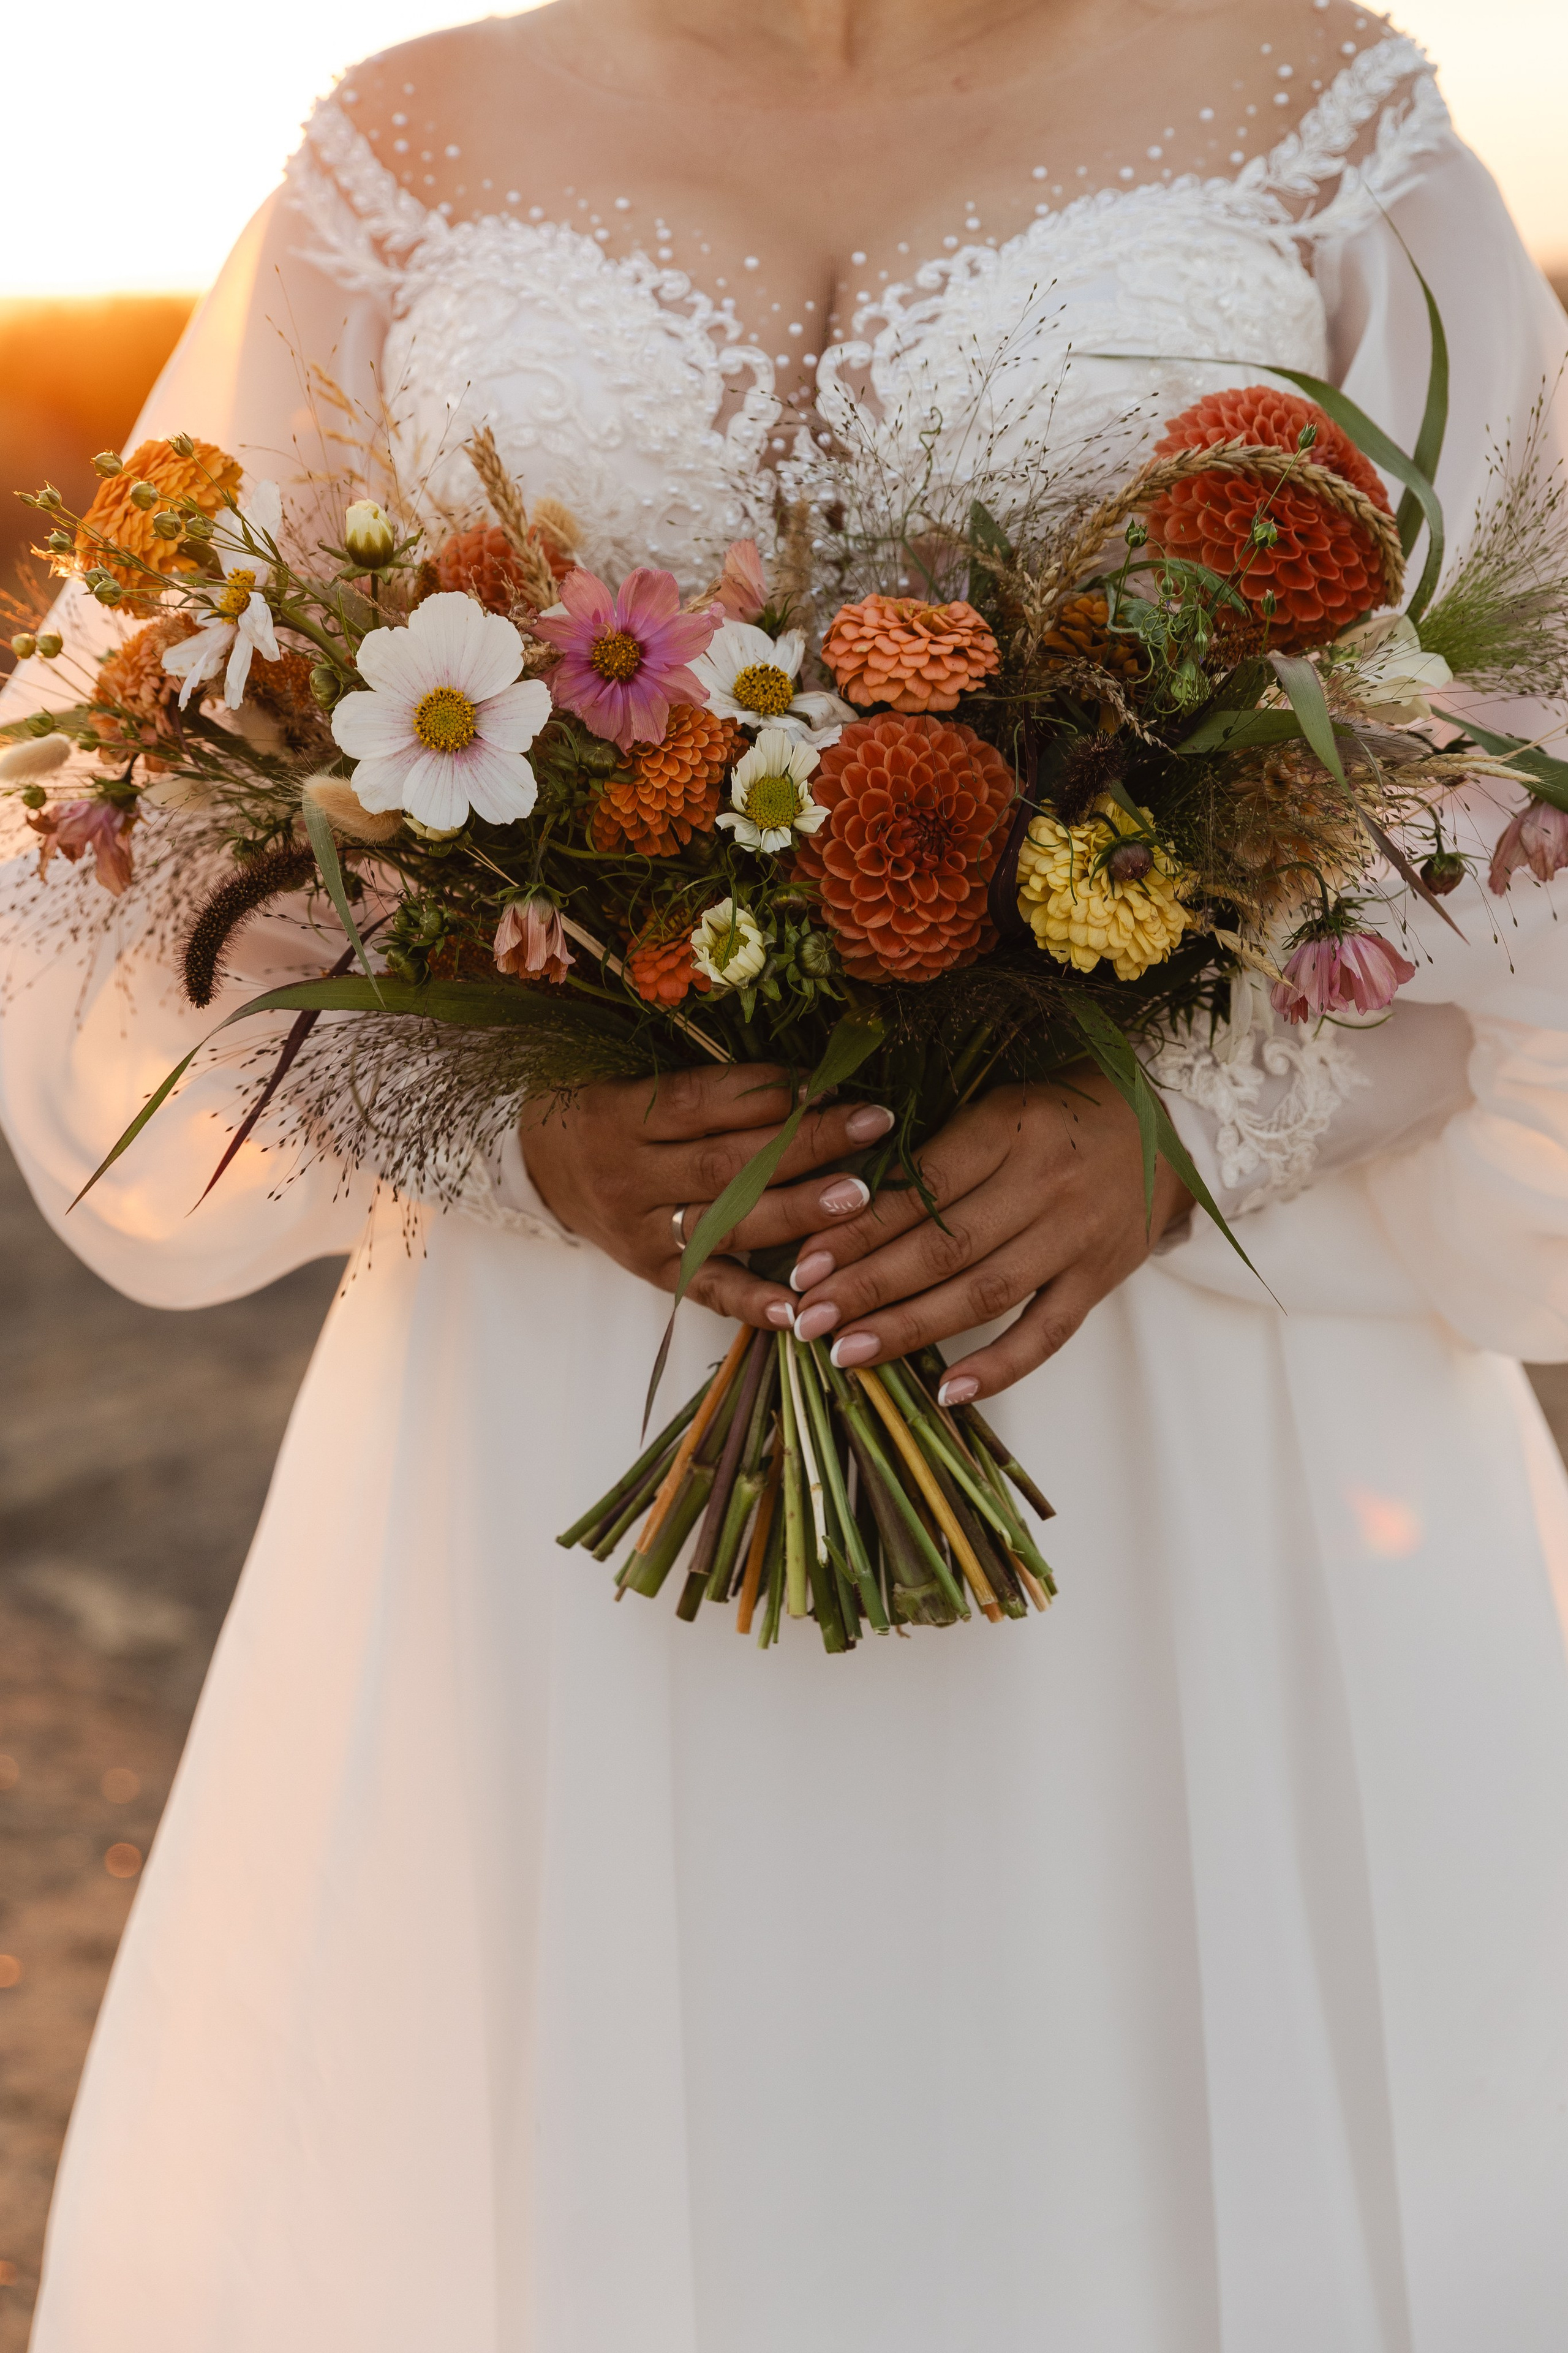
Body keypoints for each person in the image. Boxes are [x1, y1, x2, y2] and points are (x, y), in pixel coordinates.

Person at [4, 1, 1568, 2343]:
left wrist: (1186, 1127)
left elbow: (1525, 746)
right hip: (580, 1376)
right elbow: (130, 809)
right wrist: (511, 1116)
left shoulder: (1315, 109)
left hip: (1174, 1381)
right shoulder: (397, 154)